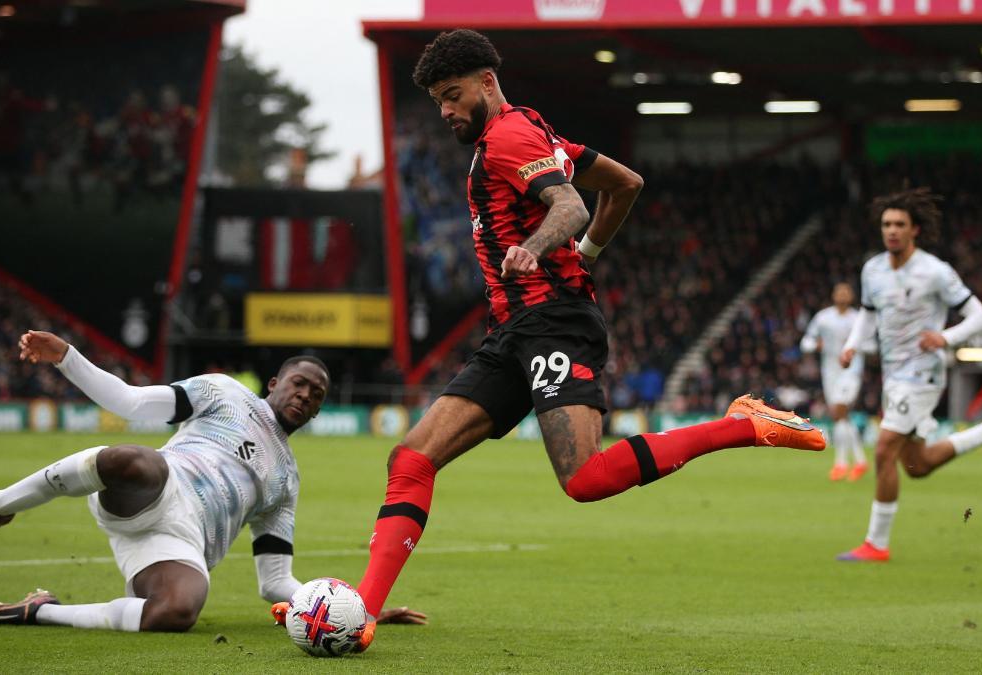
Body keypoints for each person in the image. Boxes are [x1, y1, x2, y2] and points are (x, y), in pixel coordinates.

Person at [301, 30, 825, 651]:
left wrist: (543, 244)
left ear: (487, 83)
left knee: (584, 479)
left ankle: (740, 423)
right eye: (438, 100)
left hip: (553, 321)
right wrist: (590, 254)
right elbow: (626, 183)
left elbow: (571, 206)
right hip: (513, 332)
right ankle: (363, 611)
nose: (444, 111)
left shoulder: (511, 137)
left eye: (452, 95)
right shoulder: (535, 133)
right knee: (411, 458)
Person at [0, 330, 425, 634]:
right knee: (138, 460)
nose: (307, 396)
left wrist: (353, 609)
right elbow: (131, 404)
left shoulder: (287, 481)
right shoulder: (224, 392)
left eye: (316, 395)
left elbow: (274, 582)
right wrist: (67, 356)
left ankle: (40, 612)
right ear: (274, 384)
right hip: (156, 488)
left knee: (180, 611)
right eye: (300, 384)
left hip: (180, 545)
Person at [836, 187, 982, 563]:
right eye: (886, 224)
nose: (891, 230)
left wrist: (945, 337)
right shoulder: (872, 269)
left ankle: (876, 544)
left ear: (915, 230)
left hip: (923, 374)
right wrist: (853, 344)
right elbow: (868, 313)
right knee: (917, 465)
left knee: (884, 448)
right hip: (894, 375)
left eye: (899, 224)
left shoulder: (935, 271)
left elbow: (981, 317)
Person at [800, 283, 869, 481]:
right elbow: (806, 342)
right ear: (833, 295)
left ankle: (840, 464)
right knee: (841, 417)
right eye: (839, 291)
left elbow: (871, 344)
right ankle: (860, 461)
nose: (843, 295)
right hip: (830, 373)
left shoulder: (858, 319)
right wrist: (816, 344)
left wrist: (856, 347)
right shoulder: (823, 318)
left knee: (840, 412)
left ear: (852, 296)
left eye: (846, 291)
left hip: (851, 371)